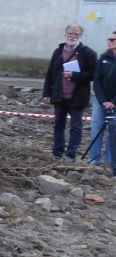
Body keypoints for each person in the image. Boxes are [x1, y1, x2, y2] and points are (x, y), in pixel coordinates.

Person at [41, 24, 97, 161]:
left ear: (80, 36)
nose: (73, 36)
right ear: (65, 34)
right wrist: (46, 93)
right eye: (71, 33)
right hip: (59, 95)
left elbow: (93, 74)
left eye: (76, 34)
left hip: (77, 96)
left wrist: (75, 75)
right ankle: (57, 151)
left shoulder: (88, 53)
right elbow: (50, 74)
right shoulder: (58, 51)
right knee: (58, 124)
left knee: (76, 126)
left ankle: (71, 154)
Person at [92, 31, 116, 174]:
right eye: (109, 39)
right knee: (96, 128)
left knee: (114, 132)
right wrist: (103, 100)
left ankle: (110, 161)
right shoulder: (103, 58)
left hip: (114, 101)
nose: (109, 41)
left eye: (112, 39)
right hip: (101, 99)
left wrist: (113, 101)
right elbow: (97, 80)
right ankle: (94, 159)